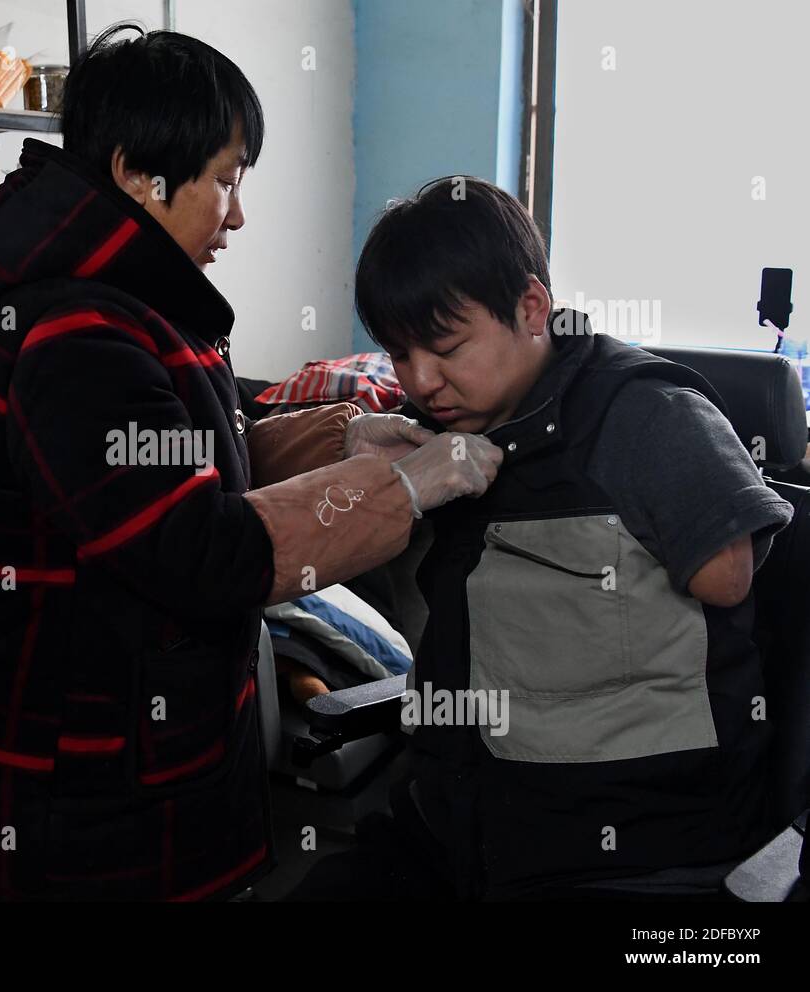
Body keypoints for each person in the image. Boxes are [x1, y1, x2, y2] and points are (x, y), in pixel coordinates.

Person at [0, 27, 501, 901]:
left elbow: (189, 463)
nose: (238, 215)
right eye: (227, 181)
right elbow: (201, 549)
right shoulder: (78, 335)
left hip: (142, 757)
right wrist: (398, 488)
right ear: (137, 176)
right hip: (82, 794)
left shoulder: (133, 310)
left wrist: (343, 440)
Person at [292, 176, 794, 901]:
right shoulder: (437, 436)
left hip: (628, 850)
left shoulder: (646, 416)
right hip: (457, 824)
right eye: (400, 355)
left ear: (531, 309)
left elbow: (728, 577)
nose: (422, 380)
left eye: (446, 347)